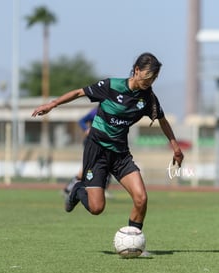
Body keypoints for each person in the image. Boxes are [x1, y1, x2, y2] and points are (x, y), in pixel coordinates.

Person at [32, 52, 184, 236]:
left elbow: (162, 120)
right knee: (97, 208)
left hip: (120, 155)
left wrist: (175, 147)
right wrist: (52, 104)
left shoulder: (148, 99)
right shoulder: (111, 86)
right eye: (148, 77)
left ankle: (133, 240)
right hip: (97, 151)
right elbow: (79, 92)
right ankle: (77, 190)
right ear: (136, 70)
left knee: (141, 198)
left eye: (154, 79)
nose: (150, 82)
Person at [62, 107, 113, 199]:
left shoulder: (113, 109)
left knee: (107, 167)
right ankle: (69, 190)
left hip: (104, 143)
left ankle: (102, 190)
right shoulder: (96, 111)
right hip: (92, 142)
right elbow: (82, 120)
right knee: (87, 168)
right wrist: (86, 129)